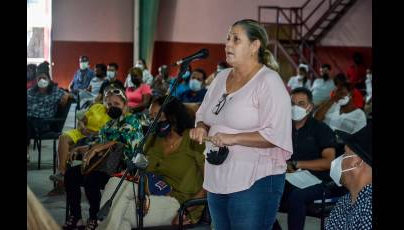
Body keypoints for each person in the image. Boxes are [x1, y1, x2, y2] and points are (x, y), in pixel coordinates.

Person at [189, 19, 292, 229]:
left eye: (236, 39)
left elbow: (275, 135)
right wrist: (201, 127)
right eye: (228, 38)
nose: (228, 44)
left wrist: (234, 138)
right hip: (218, 176)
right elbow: (204, 115)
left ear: (255, 46)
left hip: (256, 180)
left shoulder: (269, 81)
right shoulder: (221, 77)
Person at [98, 96, 206, 229]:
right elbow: (139, 171)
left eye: (158, 115)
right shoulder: (152, 138)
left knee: (120, 211)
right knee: (114, 183)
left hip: (180, 203)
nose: (154, 121)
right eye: (151, 117)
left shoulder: (193, 139)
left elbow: (210, 185)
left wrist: (187, 210)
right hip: (149, 192)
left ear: (173, 115)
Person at [63, 87, 143, 230]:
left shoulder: (133, 121)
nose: (112, 107)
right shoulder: (108, 124)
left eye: (116, 104)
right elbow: (98, 143)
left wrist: (97, 148)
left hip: (123, 168)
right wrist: (82, 148)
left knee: (91, 179)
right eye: (109, 104)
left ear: (125, 105)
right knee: (71, 175)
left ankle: (96, 217)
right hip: (103, 165)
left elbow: (121, 142)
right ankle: (76, 217)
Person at [278, 87, 337, 230]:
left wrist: (297, 164)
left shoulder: (321, 129)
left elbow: (329, 162)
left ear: (310, 107)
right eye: (292, 103)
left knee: (297, 196)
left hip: (319, 181)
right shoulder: (283, 128)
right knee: (263, 190)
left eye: (301, 103)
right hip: (289, 177)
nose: (295, 107)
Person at [49, 91, 112, 186]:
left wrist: (93, 133)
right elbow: (82, 120)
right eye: (106, 99)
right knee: (63, 138)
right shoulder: (97, 107)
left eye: (111, 101)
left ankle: (61, 184)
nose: (108, 102)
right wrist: (82, 127)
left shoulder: (114, 114)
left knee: (67, 150)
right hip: (82, 132)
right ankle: (61, 171)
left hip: (96, 137)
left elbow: (108, 132)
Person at [325, 123, 372, 229]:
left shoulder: (369, 210)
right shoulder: (345, 201)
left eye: (345, 153)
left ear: (356, 162)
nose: (339, 159)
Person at [27, 65, 71, 161]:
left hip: (45, 124)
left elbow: (71, 96)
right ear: (36, 80)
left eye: (44, 78)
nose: (42, 80)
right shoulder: (31, 92)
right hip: (31, 122)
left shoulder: (55, 91)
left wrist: (66, 95)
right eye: (39, 78)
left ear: (49, 79)